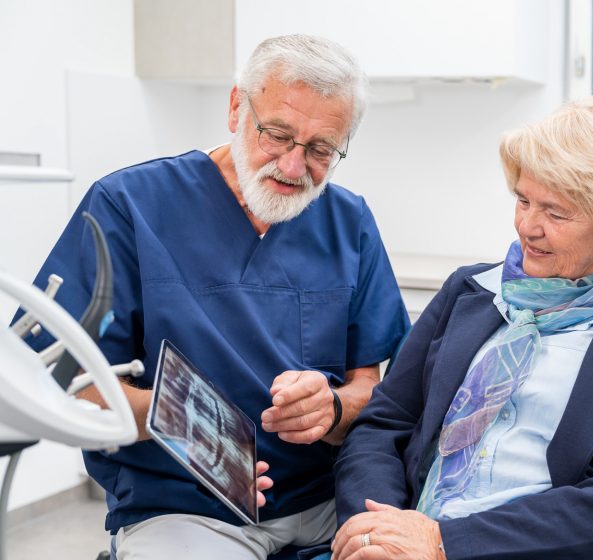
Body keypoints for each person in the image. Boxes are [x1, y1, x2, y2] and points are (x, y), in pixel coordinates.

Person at [14, 34, 409, 558]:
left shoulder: (348, 221)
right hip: (185, 509)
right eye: (277, 135)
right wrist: (180, 423)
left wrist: (333, 410)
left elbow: (373, 386)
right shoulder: (130, 206)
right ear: (235, 108)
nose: (294, 167)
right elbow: (54, 378)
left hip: (325, 504)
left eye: (319, 150)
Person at [329, 97, 593, 560]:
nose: (528, 226)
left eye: (556, 212)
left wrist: (444, 544)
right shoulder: (469, 290)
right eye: (524, 200)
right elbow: (383, 426)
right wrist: (378, 529)